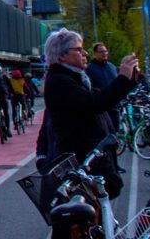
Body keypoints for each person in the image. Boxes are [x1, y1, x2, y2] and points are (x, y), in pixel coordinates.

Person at [42, 29, 137, 201]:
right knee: (83, 213)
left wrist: (130, 79)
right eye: (78, 49)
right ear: (61, 55)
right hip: (81, 160)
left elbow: (99, 98)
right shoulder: (61, 81)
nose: (84, 53)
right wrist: (123, 79)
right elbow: (95, 103)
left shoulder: (75, 77)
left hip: (90, 158)